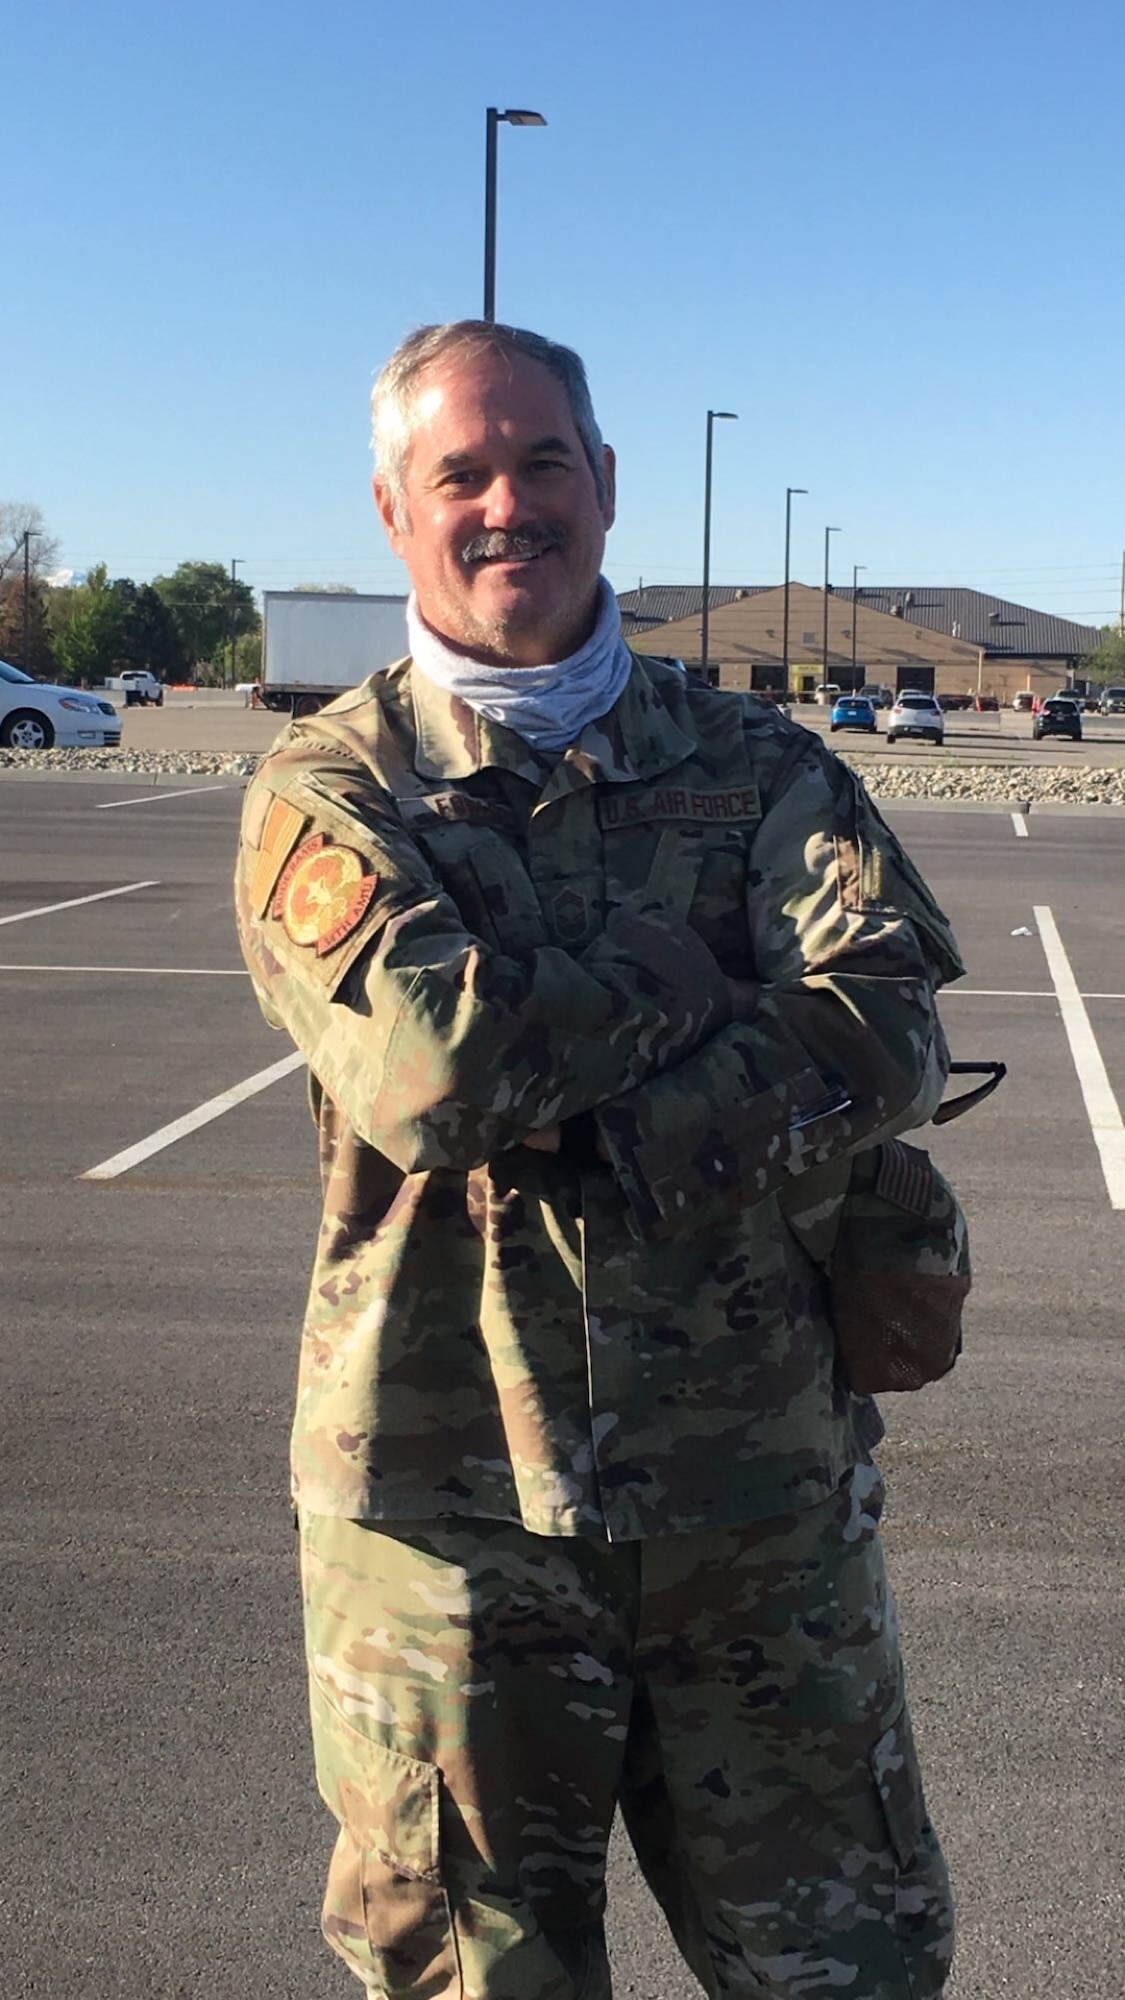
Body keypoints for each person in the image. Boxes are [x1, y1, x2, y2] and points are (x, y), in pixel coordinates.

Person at [234, 320, 963, 2000]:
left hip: (757, 1511)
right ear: (395, 510)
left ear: (606, 484)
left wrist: (596, 1107)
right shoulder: (330, 787)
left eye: (541, 460)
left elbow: (886, 1026)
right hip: (449, 1536)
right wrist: (697, 981)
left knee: (846, 1969)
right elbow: (429, 1072)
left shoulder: (764, 766)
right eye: (460, 473)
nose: (508, 504)